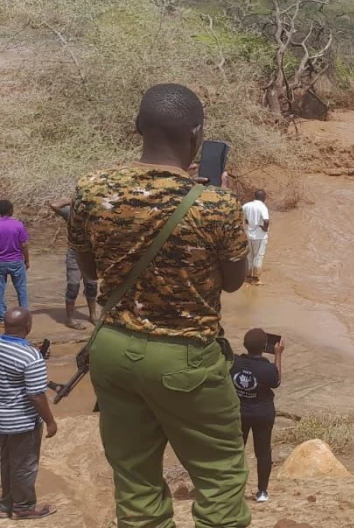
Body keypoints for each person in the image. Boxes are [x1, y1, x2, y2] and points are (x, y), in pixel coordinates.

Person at [68, 83, 251, 527]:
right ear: (197, 136)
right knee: (220, 477)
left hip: (113, 349)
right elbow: (233, 283)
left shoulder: (92, 189)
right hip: (184, 358)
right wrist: (217, 199)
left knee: (135, 479)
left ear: (137, 127)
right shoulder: (216, 204)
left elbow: (89, 271)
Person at [0, 308, 57, 519]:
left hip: (2, 420)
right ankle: (23, 507)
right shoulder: (30, 357)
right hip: (22, 422)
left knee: (6, 462)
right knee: (24, 465)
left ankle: (5, 506)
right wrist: (50, 422)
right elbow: (36, 395)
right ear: (28, 326)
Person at [230, 329, 283, 503]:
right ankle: (262, 492)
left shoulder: (234, 362)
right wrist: (278, 354)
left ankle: (233, 489)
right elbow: (277, 381)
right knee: (263, 452)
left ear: (245, 345)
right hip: (262, 414)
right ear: (264, 347)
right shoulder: (266, 368)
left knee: (237, 451)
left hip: (240, 412)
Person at [48, 200, 99, 330]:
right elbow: (54, 204)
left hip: (91, 254)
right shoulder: (71, 214)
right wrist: (73, 200)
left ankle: (92, 315)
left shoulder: (96, 217)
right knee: (73, 287)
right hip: (74, 254)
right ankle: (70, 319)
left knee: (92, 286)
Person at [0, 201, 29, 322]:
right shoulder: (18, 225)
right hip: (16, 261)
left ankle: (2, 316)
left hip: (0, 262)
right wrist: (27, 260)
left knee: (0, 290)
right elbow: (24, 245)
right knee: (21, 288)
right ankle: (24, 315)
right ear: (11, 211)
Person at [242, 191, 269, 284]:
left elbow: (242, 215)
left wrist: (248, 222)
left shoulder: (246, 205)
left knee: (249, 257)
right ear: (264, 198)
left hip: (249, 235)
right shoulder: (263, 207)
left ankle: (247, 277)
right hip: (260, 236)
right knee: (258, 257)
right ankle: (255, 279)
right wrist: (264, 229)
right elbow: (266, 220)